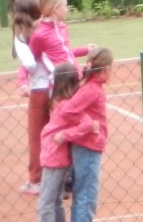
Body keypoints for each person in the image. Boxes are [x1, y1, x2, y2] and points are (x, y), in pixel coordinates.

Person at [27, 0, 94, 195]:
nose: (67, 9)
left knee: (78, 128)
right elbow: (30, 60)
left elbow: (65, 52)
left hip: (75, 82)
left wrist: (84, 51)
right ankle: (61, 179)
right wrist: (22, 81)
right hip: (60, 88)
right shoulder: (39, 34)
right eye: (65, 5)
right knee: (62, 131)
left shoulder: (63, 28)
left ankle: (72, 175)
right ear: (56, 8)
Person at [62, 47, 114, 222]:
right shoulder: (91, 89)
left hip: (89, 145)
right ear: (105, 69)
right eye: (111, 67)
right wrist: (89, 124)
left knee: (83, 192)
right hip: (88, 146)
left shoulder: (91, 86)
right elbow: (68, 111)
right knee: (87, 195)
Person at [36, 62, 81, 222]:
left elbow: (86, 123)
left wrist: (64, 135)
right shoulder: (61, 103)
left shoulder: (65, 106)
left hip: (55, 159)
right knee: (55, 202)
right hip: (55, 157)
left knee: (45, 203)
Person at [12, 0, 46, 195]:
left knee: (36, 136)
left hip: (40, 89)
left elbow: (30, 64)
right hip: (57, 86)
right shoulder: (47, 27)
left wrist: (24, 78)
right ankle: (63, 176)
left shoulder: (22, 35)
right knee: (57, 131)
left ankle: (36, 180)